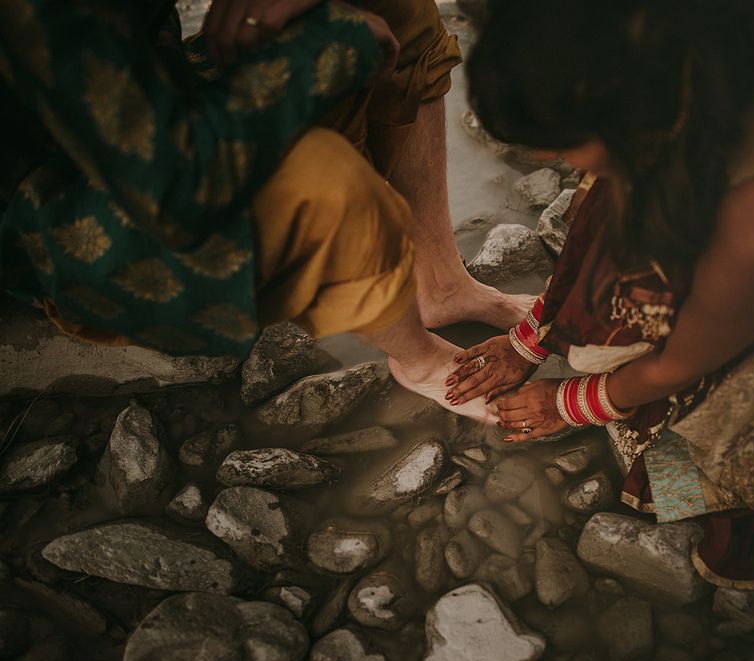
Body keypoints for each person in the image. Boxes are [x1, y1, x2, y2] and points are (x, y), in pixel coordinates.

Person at [0, 0, 506, 424]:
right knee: (318, 184)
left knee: (394, 10)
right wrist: (333, 42)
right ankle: (414, 358)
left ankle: (439, 283)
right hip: (58, 212)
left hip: (147, 107)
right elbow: (176, 189)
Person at [445, 0, 754, 588]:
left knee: (690, 456)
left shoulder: (752, 220)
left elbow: (685, 361)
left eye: (566, 147)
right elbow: (588, 253)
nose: (563, 165)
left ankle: (736, 515)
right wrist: (528, 340)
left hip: (740, 355)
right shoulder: (666, 94)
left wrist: (570, 400)